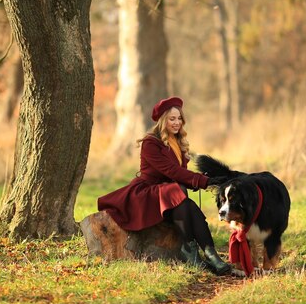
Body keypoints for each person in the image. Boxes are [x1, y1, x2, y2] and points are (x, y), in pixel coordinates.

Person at [98, 96, 231, 275]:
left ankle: (210, 254)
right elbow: (172, 172)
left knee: (192, 209)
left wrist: (204, 179)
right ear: (163, 120)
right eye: (172, 119)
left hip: (171, 196)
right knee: (178, 191)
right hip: (148, 192)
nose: (177, 123)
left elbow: (178, 176)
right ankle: (191, 253)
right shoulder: (151, 142)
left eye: (179, 118)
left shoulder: (177, 142)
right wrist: (203, 181)